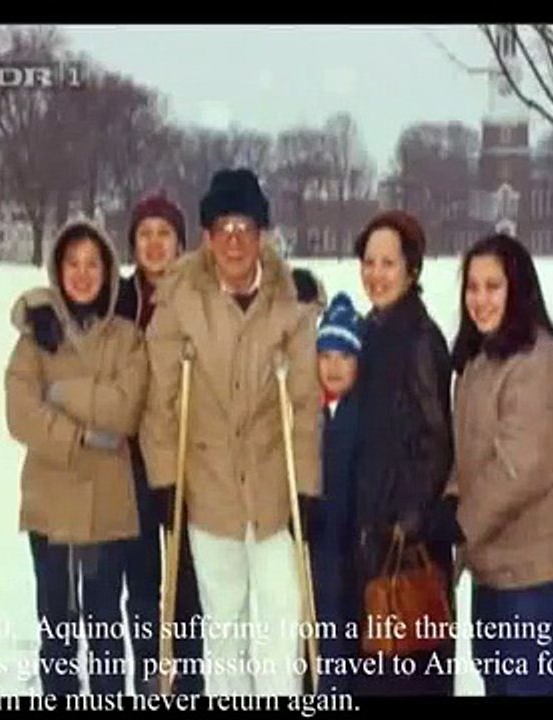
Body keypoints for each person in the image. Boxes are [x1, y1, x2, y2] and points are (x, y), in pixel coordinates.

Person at [139, 168, 321, 696]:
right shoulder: (179, 300)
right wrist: (165, 479)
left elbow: (304, 405)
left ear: (262, 235)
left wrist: (306, 488)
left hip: (273, 491)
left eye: (245, 228)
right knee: (225, 627)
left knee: (281, 624)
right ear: (207, 236)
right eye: (224, 228)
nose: (234, 241)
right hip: (210, 488)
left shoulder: (291, 302)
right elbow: (161, 402)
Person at [15, 194, 205, 695]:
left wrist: (61, 393)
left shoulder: (198, 297)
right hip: (125, 469)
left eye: (165, 234)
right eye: (145, 234)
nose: (155, 244)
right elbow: (59, 304)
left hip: (188, 460)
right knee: (138, 590)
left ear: (181, 243)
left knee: (185, 591)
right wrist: (33, 310)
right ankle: (148, 682)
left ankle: (184, 687)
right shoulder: (118, 299)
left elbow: (125, 402)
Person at [4, 219, 148, 696]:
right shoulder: (36, 336)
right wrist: (80, 435)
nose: (82, 275)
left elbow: (126, 408)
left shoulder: (127, 337)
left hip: (108, 507)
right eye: (73, 264)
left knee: (106, 628)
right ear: (58, 269)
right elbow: (21, 412)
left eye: (92, 265)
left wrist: (62, 392)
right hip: (51, 504)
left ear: (107, 272)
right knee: (57, 628)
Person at [448, 232, 553, 696]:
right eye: (472, 287)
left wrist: (459, 524)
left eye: (493, 287)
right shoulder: (478, 361)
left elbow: (521, 465)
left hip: (531, 570)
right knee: (499, 682)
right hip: (492, 564)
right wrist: (447, 500)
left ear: (518, 289)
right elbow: (468, 453)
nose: (480, 299)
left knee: (528, 686)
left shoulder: (537, 360)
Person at [351, 210, 455, 696]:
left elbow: (436, 439)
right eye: (369, 262)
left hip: (407, 541)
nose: (376, 274)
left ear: (411, 270)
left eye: (388, 263)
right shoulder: (370, 330)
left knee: (408, 671)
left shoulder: (419, 339)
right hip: (370, 534)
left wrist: (408, 519)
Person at [310, 292, 364, 695]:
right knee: (319, 637)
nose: (333, 367)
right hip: (316, 546)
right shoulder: (309, 413)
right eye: (325, 356)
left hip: (354, 550)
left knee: (348, 640)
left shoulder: (362, 413)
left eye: (344, 357)